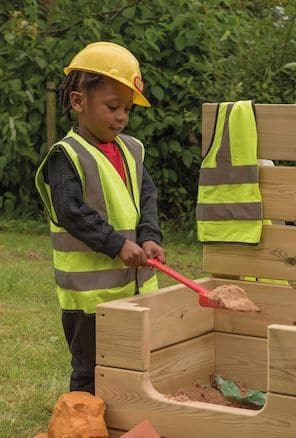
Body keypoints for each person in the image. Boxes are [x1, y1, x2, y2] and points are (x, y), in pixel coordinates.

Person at [35, 42, 166, 394]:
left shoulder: (132, 150)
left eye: (126, 109)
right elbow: (70, 211)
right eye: (112, 107)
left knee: (136, 363)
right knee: (91, 371)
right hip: (90, 300)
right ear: (78, 102)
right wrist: (115, 243)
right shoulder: (67, 155)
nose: (122, 117)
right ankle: (81, 424)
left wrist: (150, 235)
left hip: (136, 290)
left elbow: (147, 196)